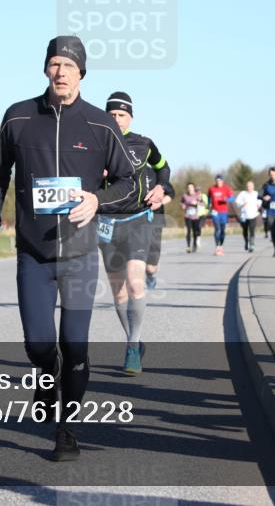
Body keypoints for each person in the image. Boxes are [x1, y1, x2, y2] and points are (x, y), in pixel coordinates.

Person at [0, 35, 136, 461]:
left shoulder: (100, 125)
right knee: (38, 344)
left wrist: (96, 200)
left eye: (69, 65)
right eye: (54, 64)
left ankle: (67, 428)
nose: (61, 72)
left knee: (77, 345)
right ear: (46, 70)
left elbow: (128, 182)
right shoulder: (18, 117)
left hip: (81, 254)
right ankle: (45, 375)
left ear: (82, 73)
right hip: (33, 252)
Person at [97, 91, 172, 373]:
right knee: (118, 293)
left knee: (135, 283)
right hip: (106, 223)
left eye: (122, 115)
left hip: (138, 220)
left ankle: (132, 347)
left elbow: (164, 168)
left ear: (131, 117)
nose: (117, 119)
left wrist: (161, 187)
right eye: (112, 115)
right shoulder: (94, 143)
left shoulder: (143, 143)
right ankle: (132, 340)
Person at [207, 174, 235, 255]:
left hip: (223, 212)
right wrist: (209, 204)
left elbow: (233, 198)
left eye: (220, 180)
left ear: (222, 181)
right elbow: (209, 198)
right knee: (217, 229)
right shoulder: (211, 188)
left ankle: (221, 245)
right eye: (217, 180)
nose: (218, 182)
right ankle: (217, 247)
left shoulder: (226, 188)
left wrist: (226, 199)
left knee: (222, 230)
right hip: (215, 212)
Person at [235, 180, 261, 252]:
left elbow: (260, 201)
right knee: (245, 230)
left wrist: (259, 204)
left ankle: (252, 244)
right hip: (244, 215)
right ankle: (246, 242)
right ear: (246, 187)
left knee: (252, 230)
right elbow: (237, 202)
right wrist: (242, 204)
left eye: (251, 186)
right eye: (248, 186)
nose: (249, 187)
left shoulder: (256, 193)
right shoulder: (243, 193)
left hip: (253, 214)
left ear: (253, 186)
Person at [181, 183, 203, 253]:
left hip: (195, 217)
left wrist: (196, 203)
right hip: (187, 216)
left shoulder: (197, 195)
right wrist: (183, 206)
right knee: (188, 231)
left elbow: (203, 204)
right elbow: (181, 203)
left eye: (191, 187)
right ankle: (188, 246)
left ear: (193, 188)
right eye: (188, 187)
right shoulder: (185, 196)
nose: (190, 189)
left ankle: (194, 244)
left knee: (195, 231)